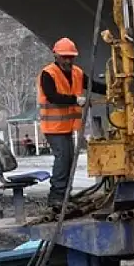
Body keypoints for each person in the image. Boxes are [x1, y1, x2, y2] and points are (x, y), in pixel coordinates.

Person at [37, 37, 106, 208]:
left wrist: (114, 86)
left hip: (66, 127)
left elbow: (93, 86)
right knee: (62, 159)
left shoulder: (77, 73)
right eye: (64, 57)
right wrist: (76, 100)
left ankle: (65, 195)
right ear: (56, 56)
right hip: (53, 127)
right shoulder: (48, 73)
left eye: (70, 57)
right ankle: (56, 196)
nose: (68, 60)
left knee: (68, 160)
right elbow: (52, 96)